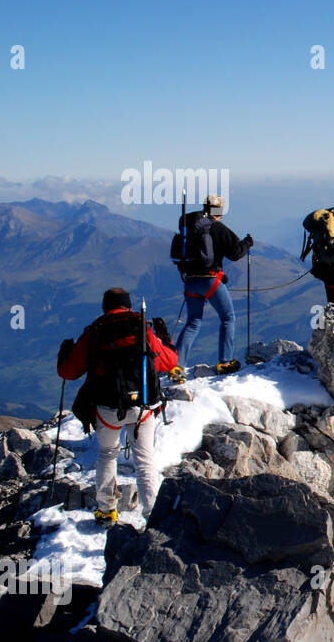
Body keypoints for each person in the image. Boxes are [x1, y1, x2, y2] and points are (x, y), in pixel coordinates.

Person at [57, 288, 178, 525]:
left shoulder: (95, 331)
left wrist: (64, 352)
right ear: (129, 306)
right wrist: (166, 340)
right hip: (142, 407)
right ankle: (151, 514)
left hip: (107, 409)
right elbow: (169, 361)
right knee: (144, 459)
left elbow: (68, 372)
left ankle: (106, 510)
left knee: (107, 454)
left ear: (105, 307)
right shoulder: (141, 326)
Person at [172, 194, 252, 378]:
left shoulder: (188, 224)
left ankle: (177, 366)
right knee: (228, 318)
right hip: (210, 280)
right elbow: (235, 253)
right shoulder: (216, 227)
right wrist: (248, 243)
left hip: (190, 280)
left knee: (193, 322)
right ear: (219, 210)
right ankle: (225, 362)